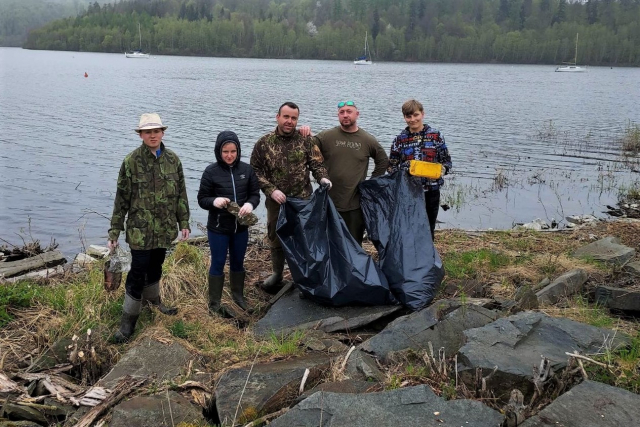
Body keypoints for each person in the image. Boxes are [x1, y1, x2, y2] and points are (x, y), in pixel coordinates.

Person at [108, 113, 191, 343]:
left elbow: (181, 194)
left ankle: (154, 304)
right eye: (147, 132)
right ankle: (128, 321)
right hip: (139, 230)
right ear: (141, 135)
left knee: (157, 266)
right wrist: (114, 231)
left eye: (156, 131)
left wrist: (184, 222)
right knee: (138, 271)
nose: (152, 135)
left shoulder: (174, 160)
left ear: (162, 132)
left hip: (164, 228)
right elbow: (121, 199)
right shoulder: (131, 162)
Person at [250, 102, 331, 293]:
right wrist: (271, 190)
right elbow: (255, 170)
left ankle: (303, 277)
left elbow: (317, 164)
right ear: (277, 117)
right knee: (275, 236)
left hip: (302, 200)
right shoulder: (264, 142)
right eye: (286, 117)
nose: (289, 121)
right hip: (276, 201)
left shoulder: (306, 140)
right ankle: (277, 274)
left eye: (294, 118)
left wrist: (323, 178)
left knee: (303, 238)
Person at [197, 130, 260, 317]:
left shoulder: (247, 170)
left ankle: (238, 296)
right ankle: (214, 303)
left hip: (240, 228)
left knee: (238, 261)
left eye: (233, 151)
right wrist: (214, 201)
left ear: (238, 151)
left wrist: (250, 204)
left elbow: (255, 194)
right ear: (219, 151)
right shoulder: (211, 172)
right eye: (225, 152)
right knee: (217, 262)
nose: (230, 155)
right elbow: (202, 199)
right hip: (218, 228)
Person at [312, 101, 388, 245]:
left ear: (357, 114)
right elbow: (307, 147)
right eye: (342, 112)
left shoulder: (367, 140)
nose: (345, 115)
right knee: (328, 242)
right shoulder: (326, 136)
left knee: (353, 243)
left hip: (354, 204)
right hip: (329, 201)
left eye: (349, 111)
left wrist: (371, 184)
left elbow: (383, 160)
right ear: (338, 115)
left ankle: (352, 268)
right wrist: (300, 132)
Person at [388, 99, 452, 239]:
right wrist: (401, 173)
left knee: (428, 228)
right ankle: (409, 257)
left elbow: (447, 161)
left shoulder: (436, 136)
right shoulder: (399, 140)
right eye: (408, 116)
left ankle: (428, 258)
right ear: (404, 117)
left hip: (431, 191)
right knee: (408, 227)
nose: (412, 119)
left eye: (415, 115)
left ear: (422, 114)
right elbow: (391, 166)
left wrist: (443, 170)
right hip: (408, 192)